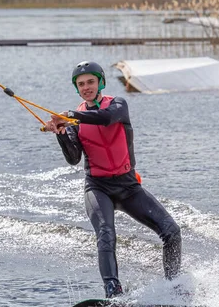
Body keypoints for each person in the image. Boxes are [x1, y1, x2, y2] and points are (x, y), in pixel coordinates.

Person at [45, 61, 182, 299]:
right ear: (77, 89)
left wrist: (69, 116)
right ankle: (113, 292)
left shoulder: (118, 105)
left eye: (90, 82)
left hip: (128, 186)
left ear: (100, 82)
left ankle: (173, 286)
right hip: (98, 187)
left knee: (171, 231)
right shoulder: (74, 124)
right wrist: (61, 134)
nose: (86, 87)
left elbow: (106, 119)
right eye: (81, 84)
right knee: (106, 234)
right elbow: (73, 158)